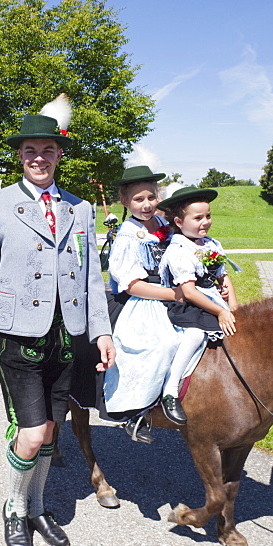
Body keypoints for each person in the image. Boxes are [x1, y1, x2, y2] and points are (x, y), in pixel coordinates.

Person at [0, 95, 114, 546]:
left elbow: (90, 277)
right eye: (30, 151)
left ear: (59, 154)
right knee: (29, 433)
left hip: (69, 336)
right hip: (17, 336)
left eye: (47, 150)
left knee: (50, 430)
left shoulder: (79, 209)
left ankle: (39, 507)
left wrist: (102, 330)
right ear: (20, 156)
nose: (39, 159)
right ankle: (13, 508)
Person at [101, 165, 181, 443]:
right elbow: (132, 284)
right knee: (161, 343)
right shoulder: (126, 236)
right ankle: (136, 411)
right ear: (125, 202)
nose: (146, 205)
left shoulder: (165, 226)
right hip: (141, 299)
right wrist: (175, 295)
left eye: (151, 197)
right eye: (138, 199)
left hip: (174, 291)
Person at [157, 186, 239, 424]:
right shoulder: (179, 249)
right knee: (194, 334)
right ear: (179, 222)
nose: (205, 222)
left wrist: (232, 306)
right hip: (187, 305)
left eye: (208, 216)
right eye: (198, 218)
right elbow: (189, 291)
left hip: (212, 300)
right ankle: (171, 390)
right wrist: (221, 311)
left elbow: (224, 277)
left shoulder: (211, 244)